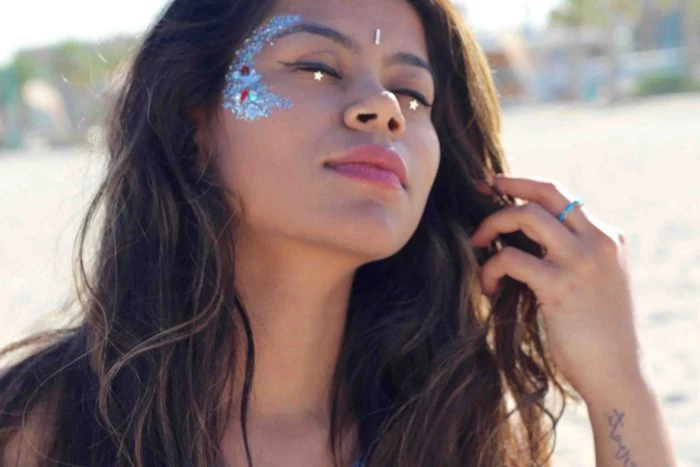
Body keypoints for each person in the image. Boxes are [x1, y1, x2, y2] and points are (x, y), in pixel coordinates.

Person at [0, 0, 678, 466]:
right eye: (317, 67)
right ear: (196, 124)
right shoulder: (48, 427)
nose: (382, 109)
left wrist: (618, 383)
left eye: (412, 95)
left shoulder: (451, 430)